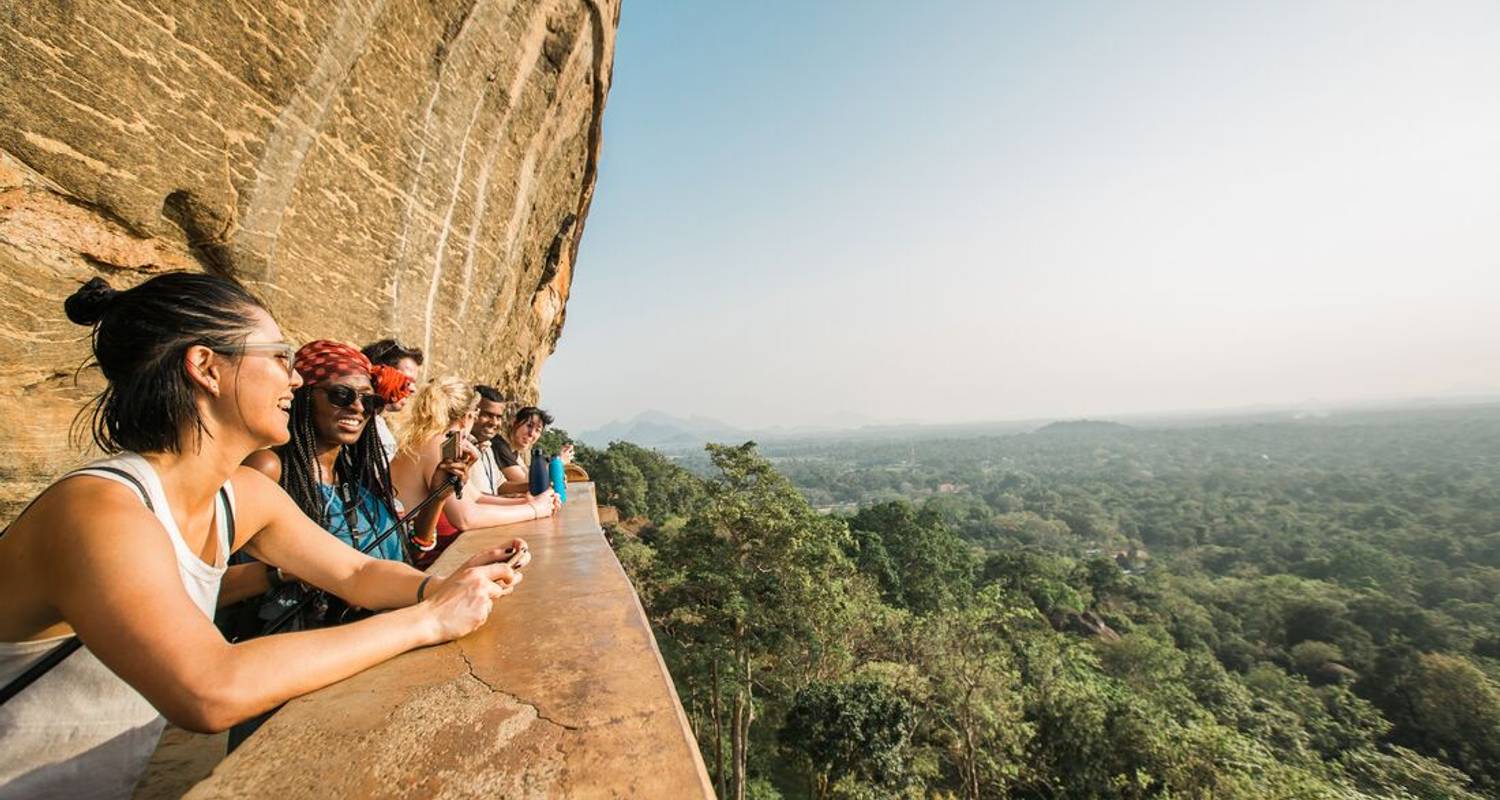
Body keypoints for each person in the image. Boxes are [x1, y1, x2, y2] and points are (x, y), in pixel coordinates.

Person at [0, 273, 527, 799]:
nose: (294, 380)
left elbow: (355, 571)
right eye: (278, 357)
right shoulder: (98, 510)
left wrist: (445, 586)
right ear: (206, 367)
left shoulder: (241, 496)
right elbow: (210, 689)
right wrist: (430, 619)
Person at [390, 378, 556, 567]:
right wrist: (535, 510)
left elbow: (474, 496)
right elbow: (466, 518)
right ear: (467, 416)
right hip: (405, 557)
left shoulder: (432, 438)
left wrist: (529, 501)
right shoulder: (439, 444)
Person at [360, 339, 423, 464]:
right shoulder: (351, 422)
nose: (412, 389)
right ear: (381, 373)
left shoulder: (379, 425)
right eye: (407, 380)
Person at [493, 406, 573, 495]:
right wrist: (557, 464)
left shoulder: (513, 451)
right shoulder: (499, 446)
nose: (531, 433)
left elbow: (528, 473)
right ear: (514, 422)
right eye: (529, 425)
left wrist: (555, 471)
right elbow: (527, 481)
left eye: (537, 430)